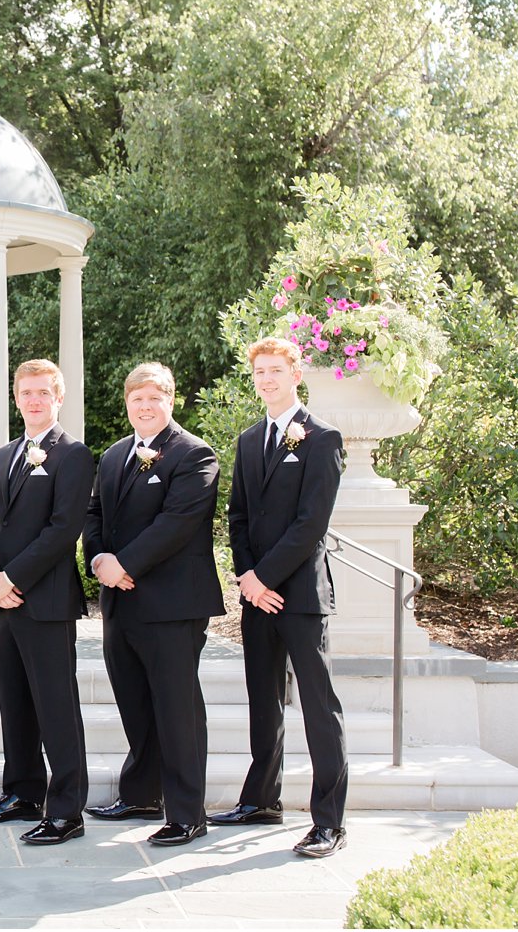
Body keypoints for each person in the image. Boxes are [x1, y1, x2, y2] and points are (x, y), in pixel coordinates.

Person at [210, 336, 349, 858]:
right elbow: (239, 517)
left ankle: (328, 823)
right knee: (264, 702)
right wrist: (247, 576)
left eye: (275, 370)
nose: (267, 379)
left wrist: (264, 577)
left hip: (301, 596)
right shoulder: (249, 441)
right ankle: (261, 800)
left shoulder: (323, 438)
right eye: (260, 372)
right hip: (256, 596)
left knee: (319, 706)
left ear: (296, 374)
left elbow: (312, 522)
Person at [83, 363, 222, 847]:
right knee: (135, 703)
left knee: (177, 709)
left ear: (171, 400)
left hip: (172, 605)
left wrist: (125, 565)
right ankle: (142, 793)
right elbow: (94, 512)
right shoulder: (115, 455)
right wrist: (99, 557)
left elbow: (177, 523)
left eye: (154, 398)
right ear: (127, 404)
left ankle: (187, 812)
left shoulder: (194, 454)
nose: (145, 406)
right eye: (137, 399)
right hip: (120, 604)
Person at [0, 358, 95, 845]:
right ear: (16, 398)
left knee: (57, 706)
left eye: (44, 392)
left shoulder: (73, 455)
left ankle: (65, 811)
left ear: (59, 398)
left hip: (46, 601)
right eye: (26, 392)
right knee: (15, 702)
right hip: (5, 602)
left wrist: (13, 578)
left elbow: (64, 530)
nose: (35, 400)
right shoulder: (3, 456)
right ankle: (21, 792)